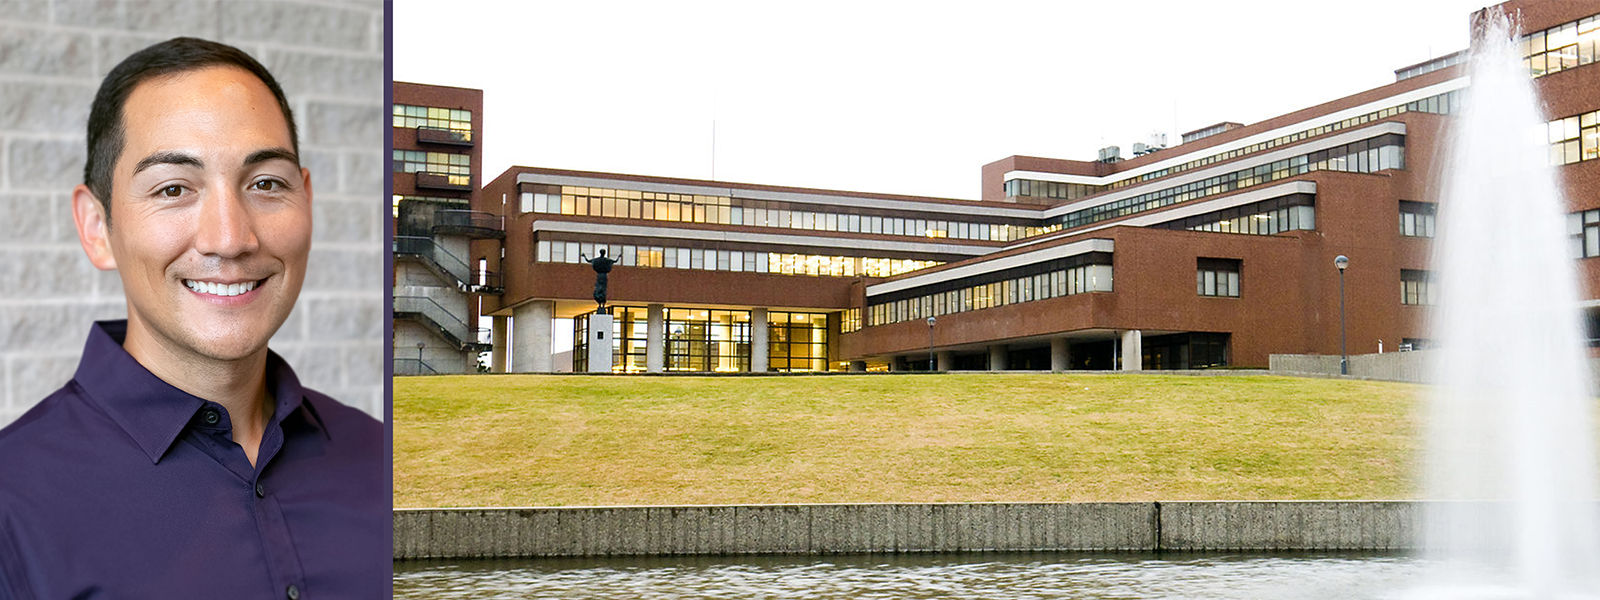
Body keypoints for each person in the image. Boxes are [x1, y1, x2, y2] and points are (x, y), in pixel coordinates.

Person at [0, 38, 386, 599]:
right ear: (96, 226)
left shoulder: (375, 454)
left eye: (265, 184)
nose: (230, 239)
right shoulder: (14, 501)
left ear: (306, 201)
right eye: (174, 188)